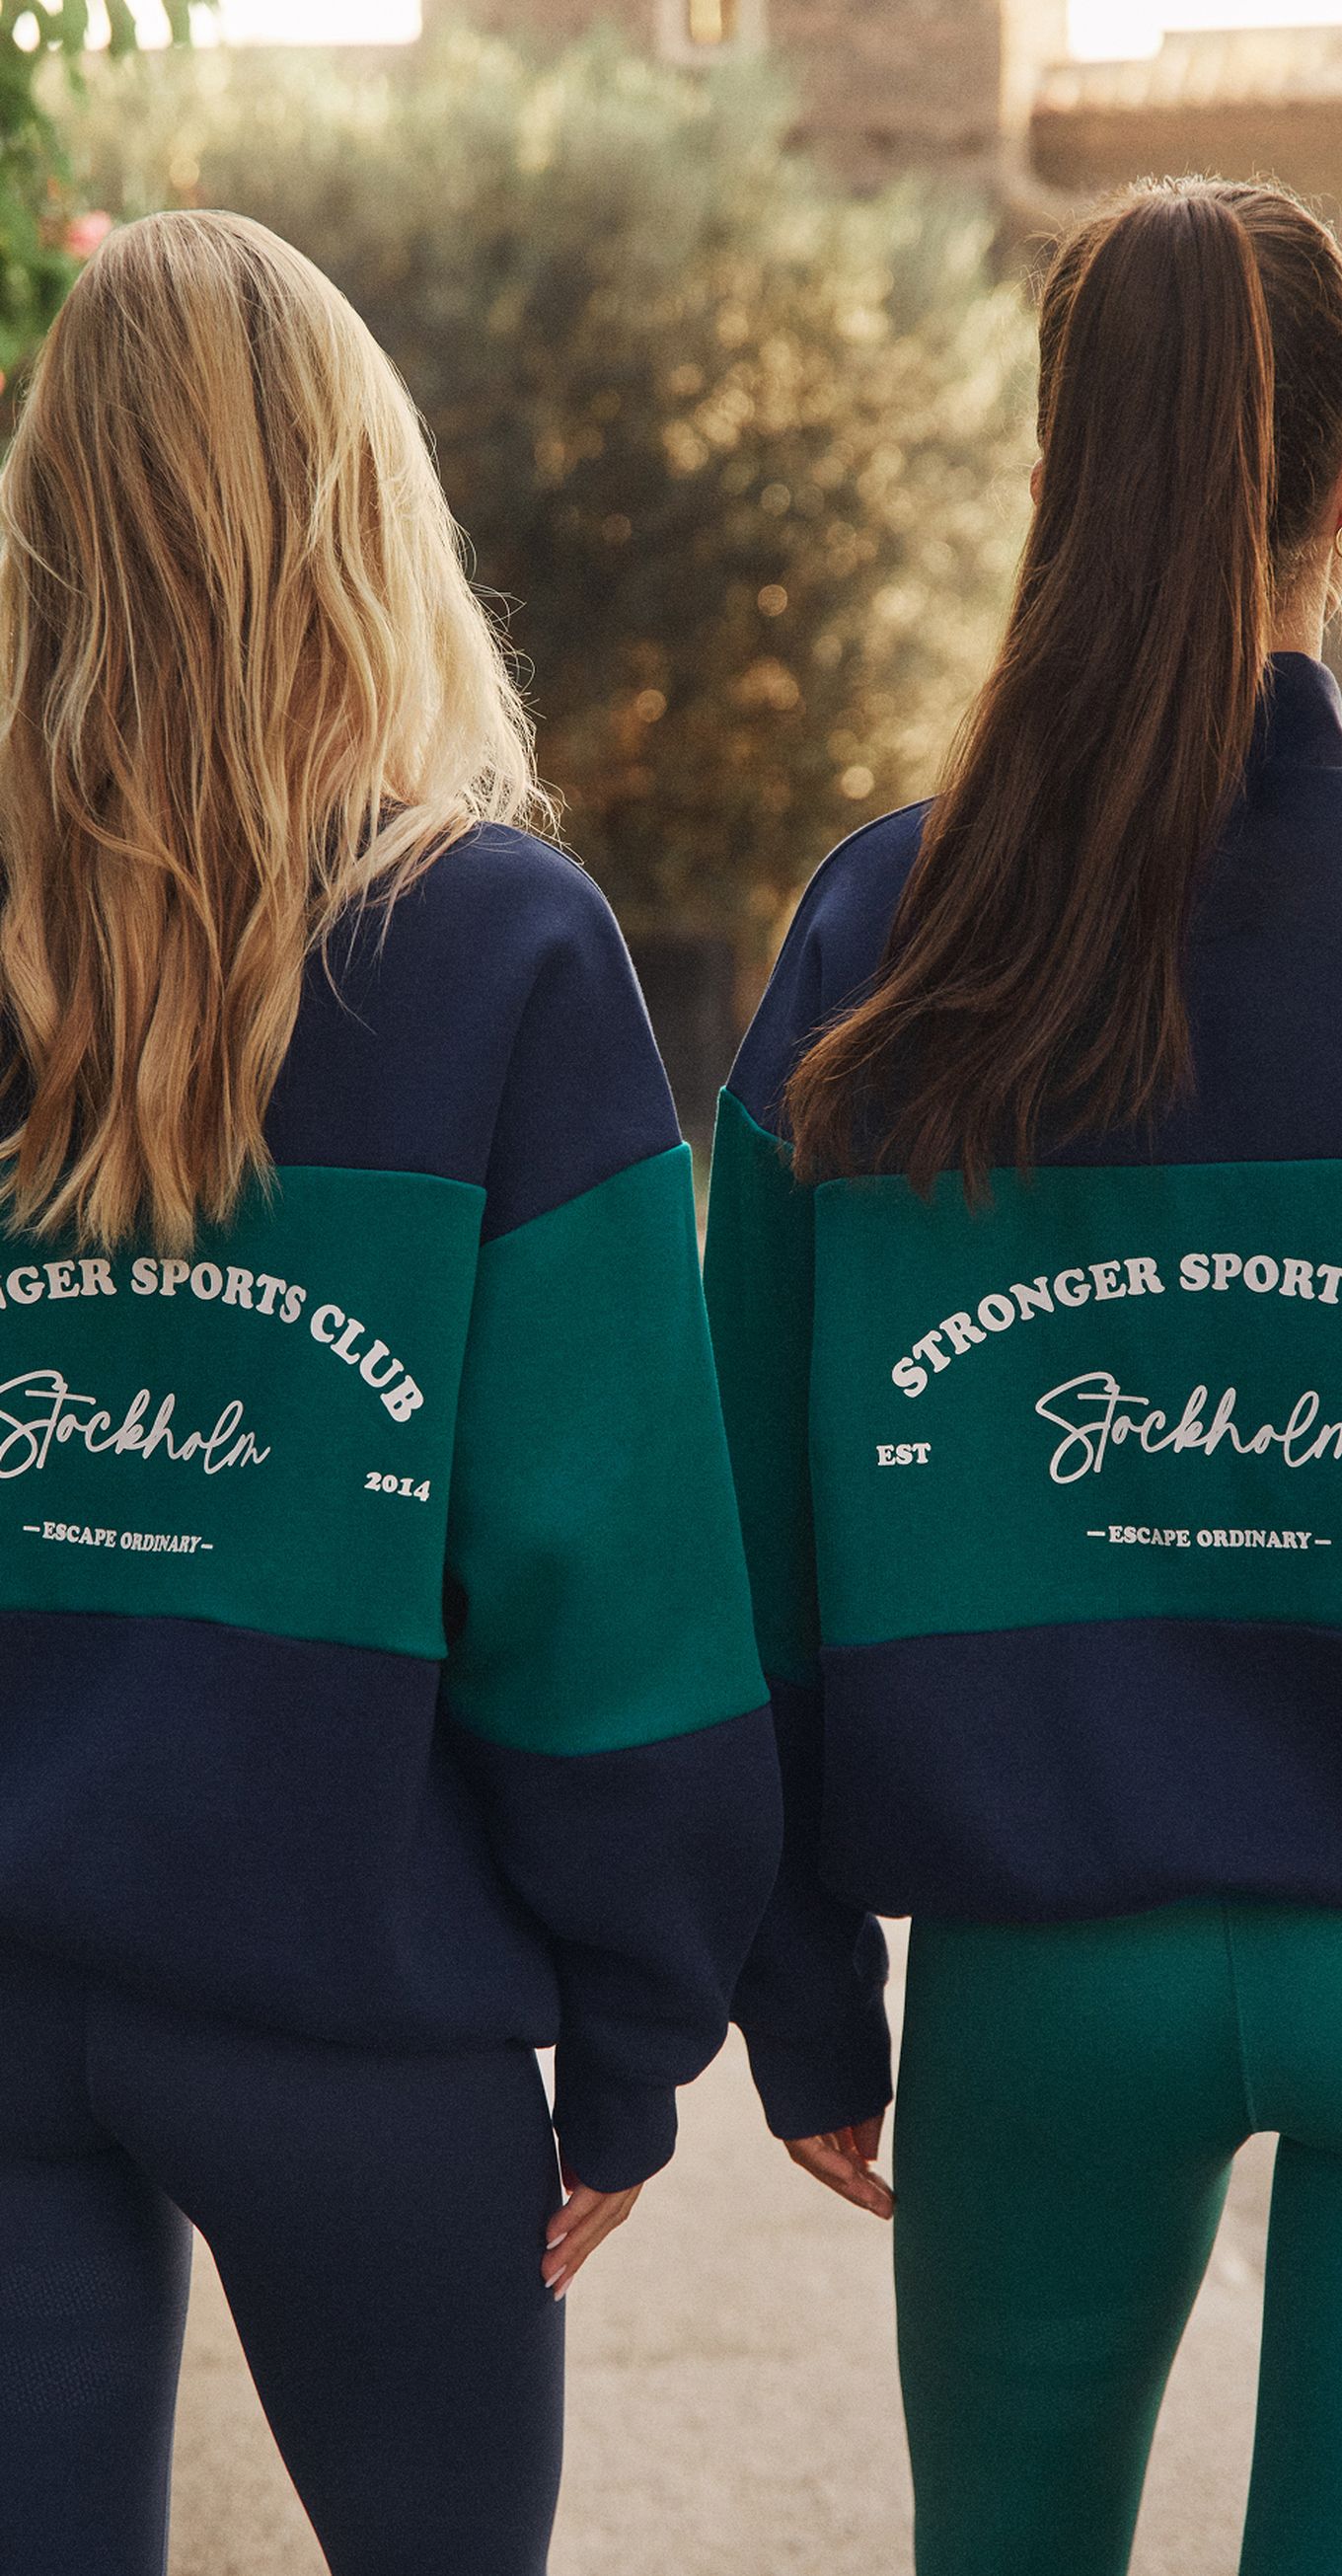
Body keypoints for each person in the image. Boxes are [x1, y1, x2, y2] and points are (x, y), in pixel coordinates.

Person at [705, 176, 1342, 2576]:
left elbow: (746, 1519)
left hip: (1039, 1987)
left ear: (1046, 481)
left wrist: (795, 1978)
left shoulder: (874, 932)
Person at [0, 208, 778, 2576]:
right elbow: (600, 1563)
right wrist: (643, 2027)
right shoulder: (500, 948)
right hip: (363, 2012)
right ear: (365, 510)